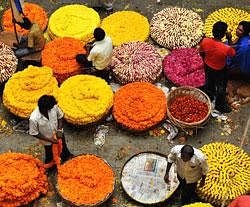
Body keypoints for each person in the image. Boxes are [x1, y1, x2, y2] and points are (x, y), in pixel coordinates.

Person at [199, 21, 236, 113]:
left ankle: (209, 96)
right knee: (221, 87)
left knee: (209, 81)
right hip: (220, 69)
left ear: (212, 31)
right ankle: (220, 105)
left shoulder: (205, 41)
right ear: (224, 34)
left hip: (207, 66)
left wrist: (206, 60)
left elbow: (201, 53)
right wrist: (230, 39)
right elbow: (233, 53)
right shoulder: (226, 48)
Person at [29, 95, 73, 165]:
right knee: (49, 153)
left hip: (59, 133)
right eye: (50, 108)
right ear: (44, 109)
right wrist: (49, 140)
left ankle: (66, 156)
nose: (52, 108)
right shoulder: (34, 118)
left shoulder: (54, 107)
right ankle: (51, 165)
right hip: (47, 140)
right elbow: (34, 133)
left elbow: (60, 116)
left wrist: (59, 130)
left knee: (63, 146)